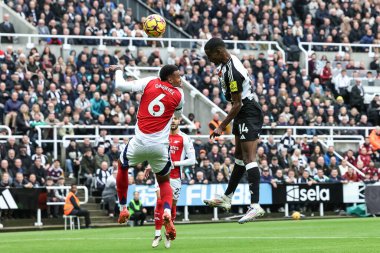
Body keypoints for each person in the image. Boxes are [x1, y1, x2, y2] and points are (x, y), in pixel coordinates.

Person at [111, 64, 184, 241]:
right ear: (168, 78)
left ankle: (123, 208)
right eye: (177, 76)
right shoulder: (179, 96)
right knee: (164, 181)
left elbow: (120, 86)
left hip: (140, 141)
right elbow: (178, 116)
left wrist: (119, 69)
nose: (180, 79)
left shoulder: (149, 82)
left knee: (122, 166)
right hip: (159, 146)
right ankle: (167, 211)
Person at [202, 38, 265, 224]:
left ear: (219, 52)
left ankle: (255, 206)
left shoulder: (232, 72)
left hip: (247, 111)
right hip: (242, 111)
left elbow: (237, 104)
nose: (209, 59)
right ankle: (227, 197)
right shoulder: (227, 63)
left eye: (210, 55)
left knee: (249, 158)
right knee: (239, 157)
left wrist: (221, 126)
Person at [152, 116, 195, 248]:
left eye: (175, 118)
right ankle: (157, 234)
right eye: (170, 118)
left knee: (172, 206)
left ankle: (168, 233)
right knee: (160, 200)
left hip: (176, 177)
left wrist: (174, 163)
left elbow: (192, 160)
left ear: (179, 120)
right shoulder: (162, 136)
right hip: (161, 173)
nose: (173, 121)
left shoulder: (185, 138)